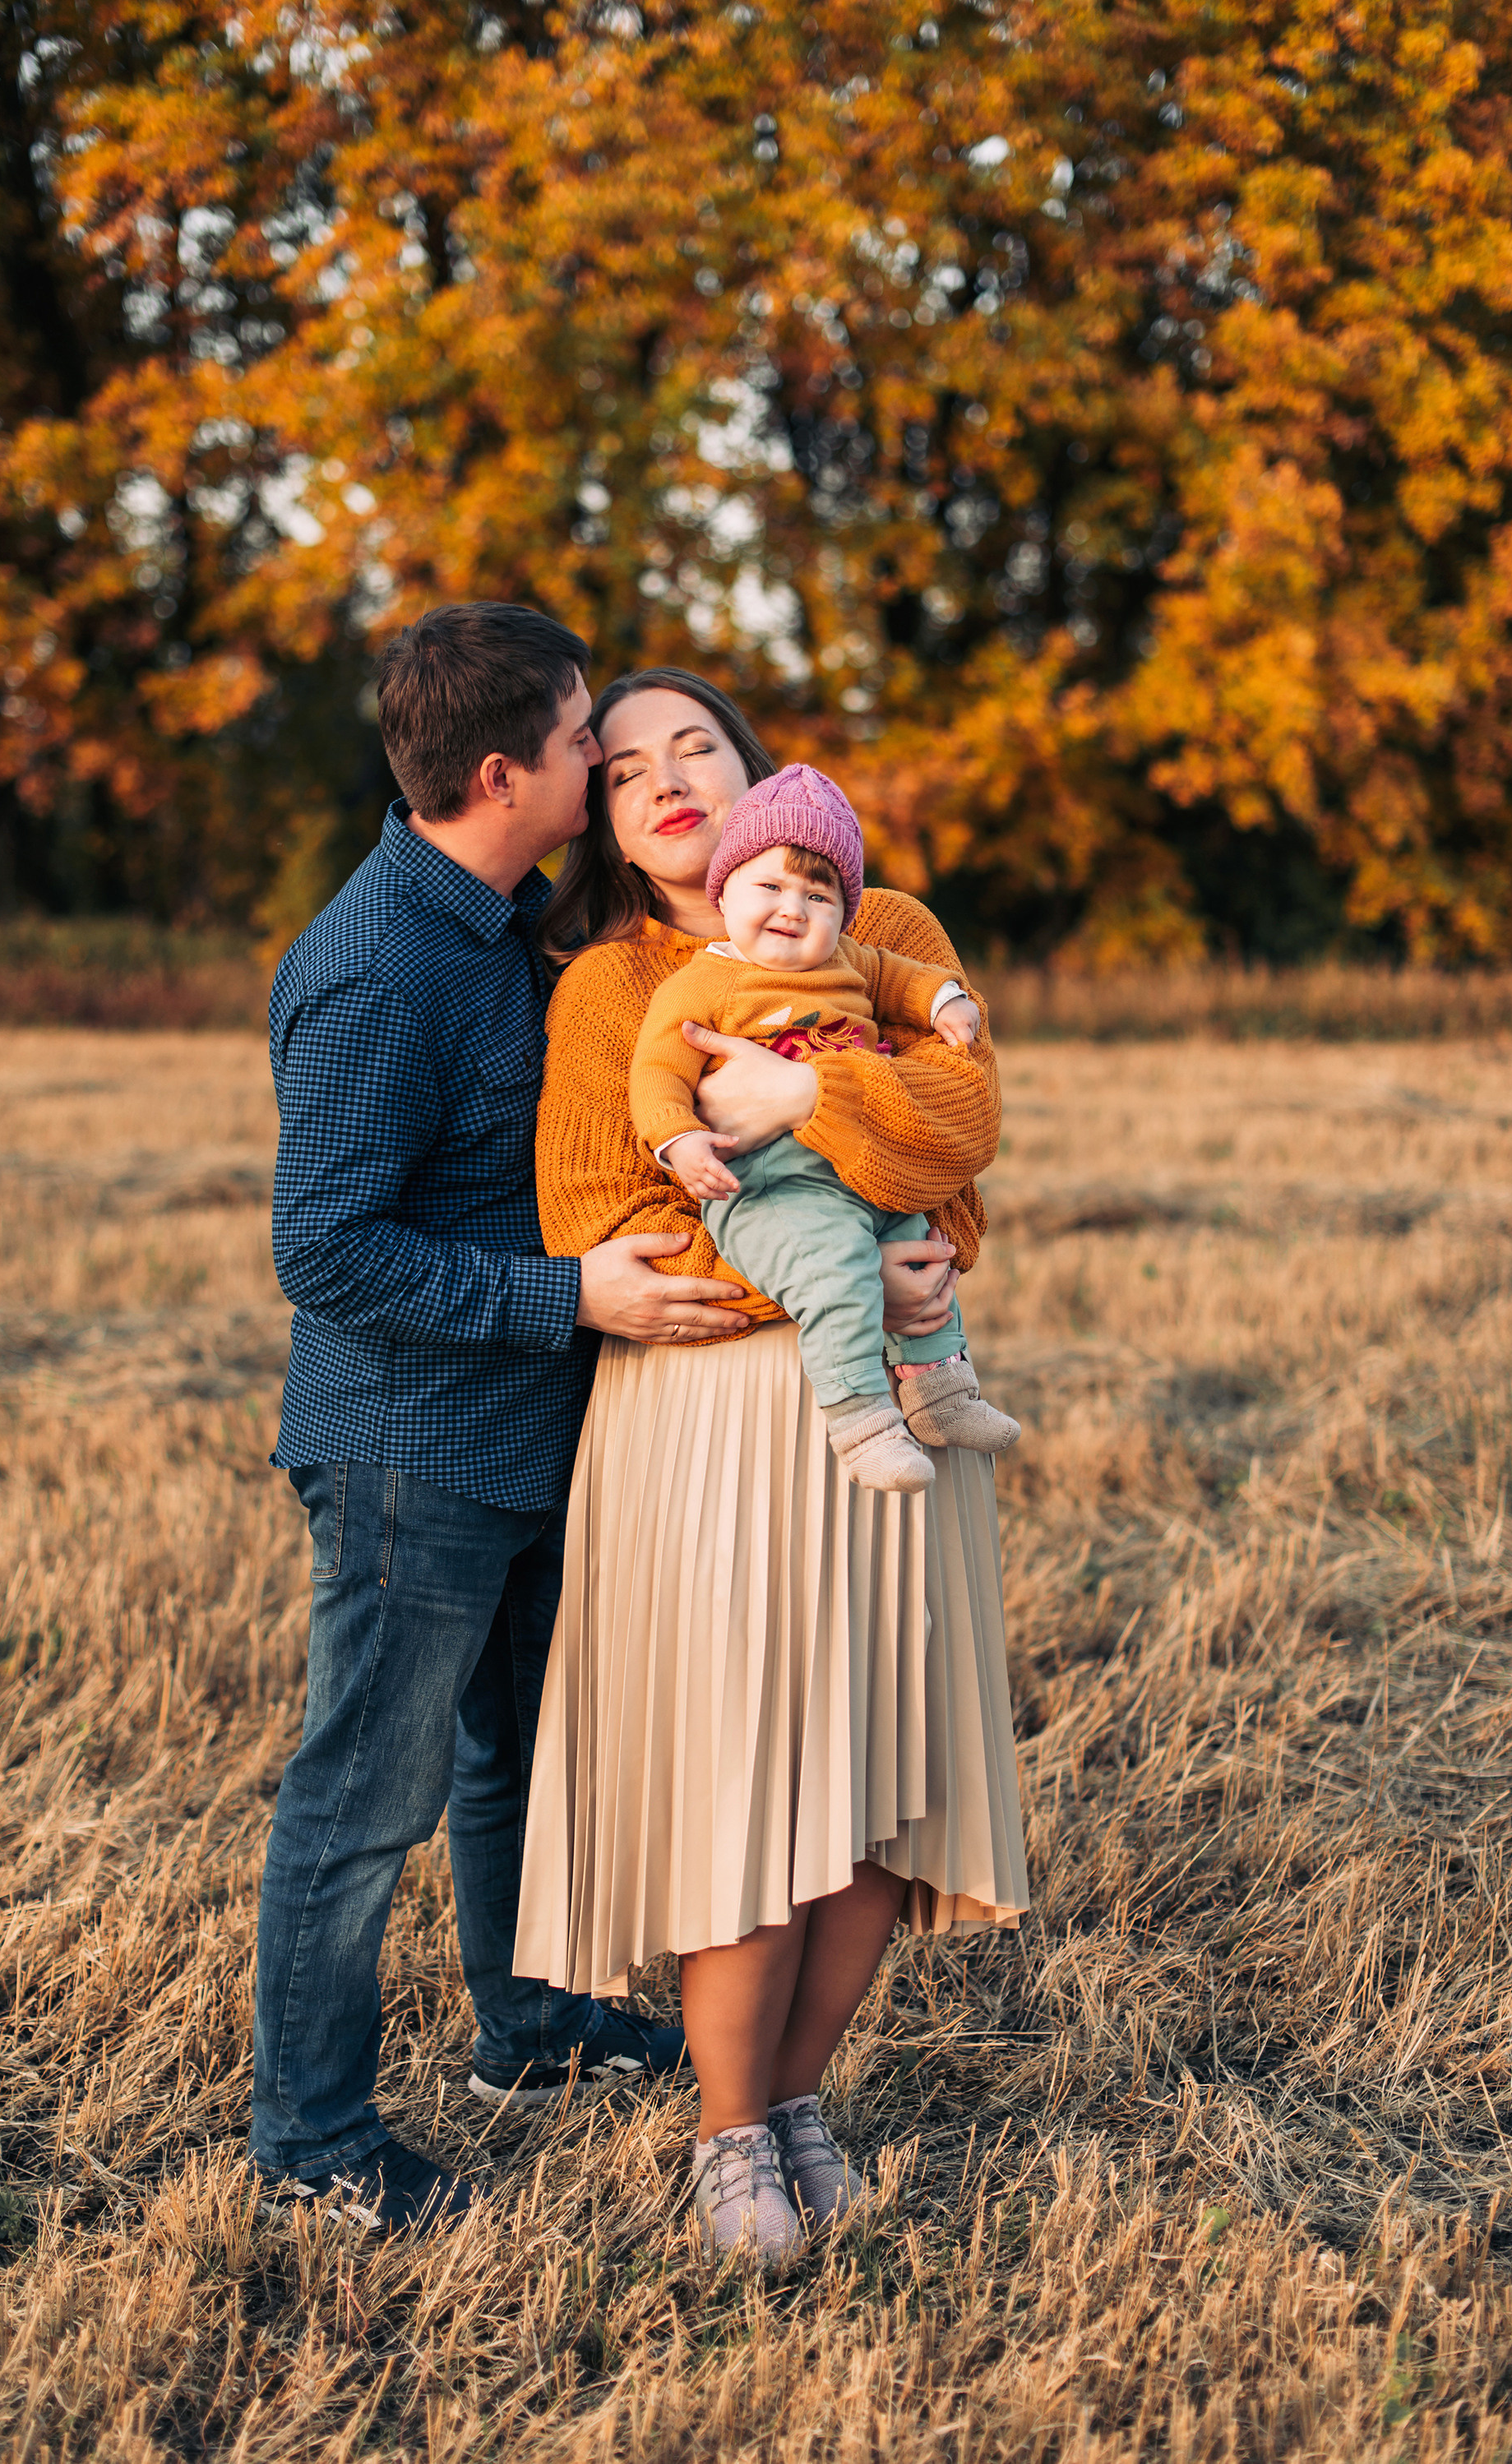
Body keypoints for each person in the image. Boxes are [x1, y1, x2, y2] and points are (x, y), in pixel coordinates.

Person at [515, 668, 1029, 2266]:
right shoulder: (612, 986)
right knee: (750, 1777)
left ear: (760, 777)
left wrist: (812, 1091)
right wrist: (842, 1272)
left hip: (897, 1414)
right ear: (602, 817)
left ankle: (800, 2101)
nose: (668, 779)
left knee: (875, 1776)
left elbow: (963, 1132)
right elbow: (602, 1217)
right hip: (709, 1417)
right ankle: (726, 2129)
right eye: (625, 767)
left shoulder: (891, 931)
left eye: (699, 746)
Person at [248, 608, 738, 2237]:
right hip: (410, 1443)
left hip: (524, 1432)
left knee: (510, 1762)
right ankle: (311, 2143)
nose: (608, 755)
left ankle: (529, 2032)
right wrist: (567, 1296)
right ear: (498, 774)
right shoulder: (377, 966)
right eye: (587, 733)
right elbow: (324, 1247)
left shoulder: (508, 922)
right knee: (360, 1798)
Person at [630, 760, 1021, 1491]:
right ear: (725, 889)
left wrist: (944, 1000)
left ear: (844, 914)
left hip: (858, 1167)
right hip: (770, 1187)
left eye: (819, 894)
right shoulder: (703, 984)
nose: (793, 908)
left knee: (922, 1243)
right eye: (770, 886)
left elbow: (902, 978)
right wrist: (679, 1138)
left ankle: (942, 1394)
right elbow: (657, 1073)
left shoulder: (850, 959)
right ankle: (863, 1420)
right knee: (839, 1265)